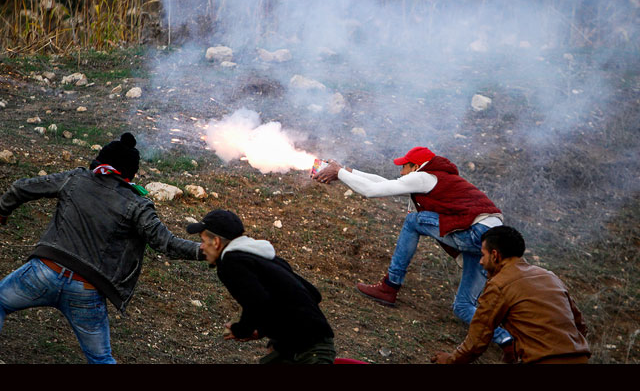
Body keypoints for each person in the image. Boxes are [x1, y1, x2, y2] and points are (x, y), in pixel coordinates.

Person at [0, 132, 205, 364]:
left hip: (43, 273)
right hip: (86, 290)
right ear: (131, 173)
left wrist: (3, 211)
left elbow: (21, 187)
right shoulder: (138, 204)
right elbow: (166, 243)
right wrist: (203, 250)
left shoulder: (76, 178)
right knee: (101, 359)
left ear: (101, 162)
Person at [313, 146, 515, 358]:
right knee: (463, 307)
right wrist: (347, 172)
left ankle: (390, 286)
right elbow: (385, 183)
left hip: (477, 232)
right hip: (489, 243)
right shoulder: (433, 178)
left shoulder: (425, 177)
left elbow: (372, 191)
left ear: (416, 167)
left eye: (404, 167)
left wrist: (339, 172)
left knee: (412, 221)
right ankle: (506, 340)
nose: (401, 172)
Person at [188, 209, 336, 364]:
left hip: (308, 352)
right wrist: (266, 331)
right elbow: (312, 294)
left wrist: (242, 329)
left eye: (204, 241)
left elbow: (257, 301)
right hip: (305, 345)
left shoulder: (231, 262)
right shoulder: (264, 258)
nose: (202, 247)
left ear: (217, 242)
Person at [432, 225, 590, 364]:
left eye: (483, 255)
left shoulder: (499, 284)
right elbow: (580, 325)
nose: (481, 261)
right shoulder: (549, 276)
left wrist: (450, 360)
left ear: (495, 255)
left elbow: (478, 339)